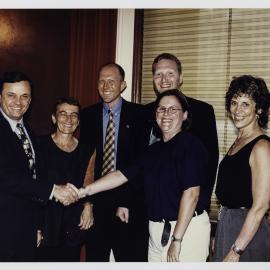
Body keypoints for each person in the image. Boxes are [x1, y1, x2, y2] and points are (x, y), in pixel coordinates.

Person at [77, 89, 211, 262]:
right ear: (155, 115)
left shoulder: (191, 145)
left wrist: (177, 239)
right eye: (161, 109)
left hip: (186, 230)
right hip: (156, 230)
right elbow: (120, 175)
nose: (166, 114)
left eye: (173, 109)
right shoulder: (153, 150)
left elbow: (191, 194)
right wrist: (84, 191)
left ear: (184, 115)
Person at [0, 72, 79, 261]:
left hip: (24, 230)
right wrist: (53, 190)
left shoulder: (28, 131)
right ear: (0, 96)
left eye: (24, 96)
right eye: (11, 95)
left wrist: (35, 226)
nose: (18, 102)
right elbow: (5, 177)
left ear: (31, 100)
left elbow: (33, 177)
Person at [79, 63, 148, 261]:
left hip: (129, 204)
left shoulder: (140, 115)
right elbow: (86, 164)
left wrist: (125, 201)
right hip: (96, 203)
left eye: (112, 81)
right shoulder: (87, 115)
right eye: (101, 81)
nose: (106, 86)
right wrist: (87, 203)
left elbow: (140, 164)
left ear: (123, 85)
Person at [145, 53, 219, 214]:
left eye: (170, 73)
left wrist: (199, 205)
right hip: (150, 209)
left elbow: (210, 162)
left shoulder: (202, 111)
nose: (164, 79)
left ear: (181, 77)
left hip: (188, 208)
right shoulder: (144, 112)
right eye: (158, 74)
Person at [213, 75, 270, 262]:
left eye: (246, 104)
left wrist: (236, 250)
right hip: (228, 226)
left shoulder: (261, 147)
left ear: (259, 109)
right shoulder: (239, 141)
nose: (237, 110)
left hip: (247, 235)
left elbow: (261, 205)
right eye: (234, 102)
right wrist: (219, 234)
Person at [35, 97, 93, 261]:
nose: (69, 119)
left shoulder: (87, 150)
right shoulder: (39, 145)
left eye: (74, 115)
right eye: (63, 114)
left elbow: (88, 182)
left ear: (78, 121)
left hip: (73, 223)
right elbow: (33, 185)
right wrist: (35, 226)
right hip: (45, 222)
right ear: (54, 118)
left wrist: (88, 206)